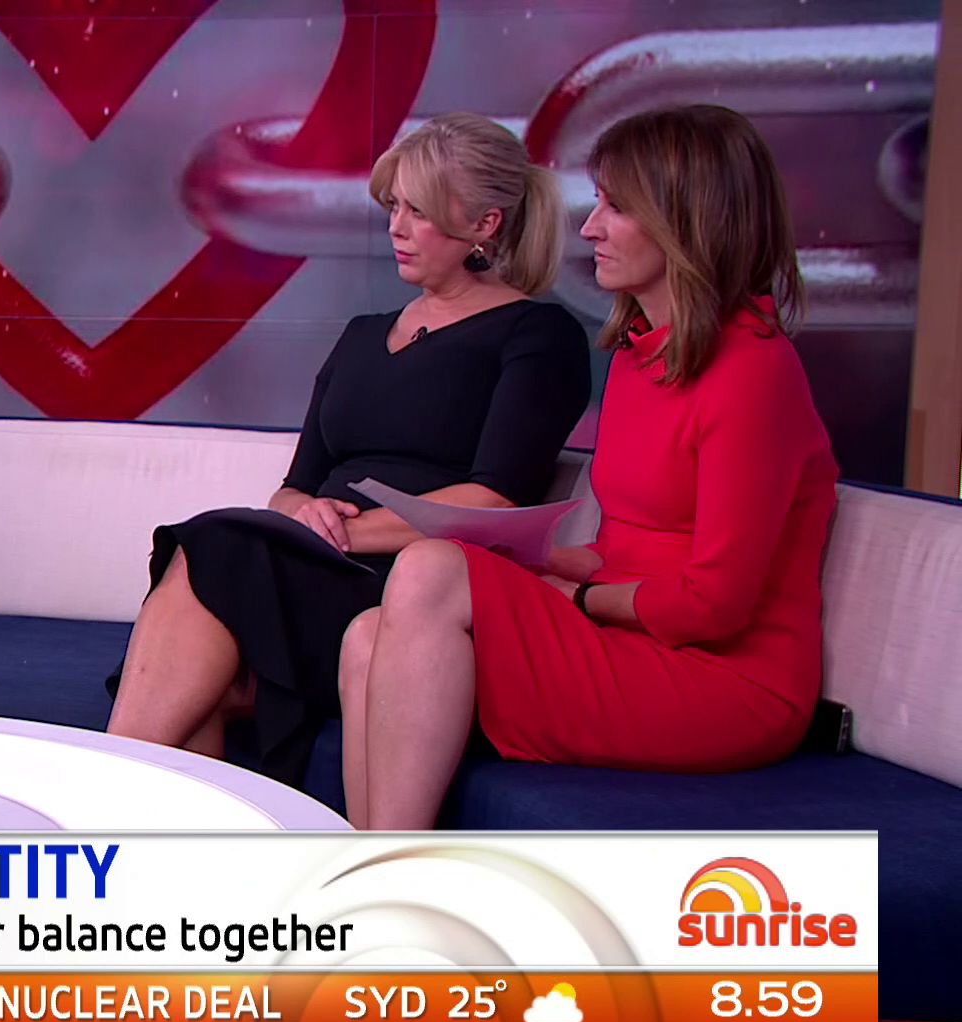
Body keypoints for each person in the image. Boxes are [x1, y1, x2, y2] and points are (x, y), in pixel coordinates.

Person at [339, 104, 839, 830]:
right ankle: (376, 868)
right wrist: (544, 562)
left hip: (729, 681)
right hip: (634, 635)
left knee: (428, 569)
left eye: (616, 208)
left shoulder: (755, 372)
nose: (590, 229)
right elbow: (632, 546)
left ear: (687, 221)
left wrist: (574, 598)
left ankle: (388, 876)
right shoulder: (639, 356)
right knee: (365, 635)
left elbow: (716, 604)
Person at [107, 114, 590, 786]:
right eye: (394, 206)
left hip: (412, 591)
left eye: (418, 211)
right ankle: (137, 799)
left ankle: (110, 788)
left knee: (214, 547)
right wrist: (303, 517)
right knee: (211, 577)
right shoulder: (362, 334)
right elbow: (293, 487)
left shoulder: (537, 335)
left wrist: (339, 535)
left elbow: (495, 499)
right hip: (307, 565)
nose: (396, 227)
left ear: (485, 224)